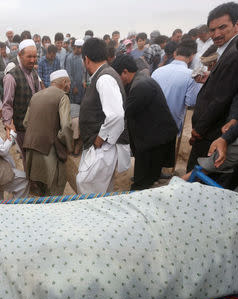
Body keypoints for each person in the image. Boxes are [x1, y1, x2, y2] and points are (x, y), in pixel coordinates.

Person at [187, 2, 238, 171]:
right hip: (208, 130)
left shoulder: (237, 53)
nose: (216, 34)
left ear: (237, 24)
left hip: (211, 132)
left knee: (196, 178)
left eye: (222, 28)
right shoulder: (228, 49)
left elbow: (223, 98)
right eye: (212, 30)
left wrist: (199, 129)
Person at [112, 54, 178, 190]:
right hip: (153, 135)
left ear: (125, 72)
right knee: (149, 173)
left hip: (154, 139)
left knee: (141, 183)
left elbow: (125, 113)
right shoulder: (139, 80)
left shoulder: (140, 86)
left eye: (117, 76)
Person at [77, 38, 130, 194]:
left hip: (104, 147)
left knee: (85, 185)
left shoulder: (104, 78)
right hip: (103, 146)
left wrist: (100, 138)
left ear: (86, 59)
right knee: (101, 191)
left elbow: (116, 115)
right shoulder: (104, 74)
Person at [23, 70, 73, 196]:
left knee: (36, 195)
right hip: (49, 153)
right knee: (54, 194)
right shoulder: (62, 96)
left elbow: (25, 123)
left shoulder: (35, 96)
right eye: (69, 83)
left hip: (30, 152)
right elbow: (66, 126)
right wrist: (67, 145)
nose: (70, 86)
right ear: (64, 82)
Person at [1, 39, 41, 164]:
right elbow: (6, 104)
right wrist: (8, 123)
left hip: (35, 125)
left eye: (34, 56)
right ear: (20, 56)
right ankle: (30, 182)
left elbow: (39, 96)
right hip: (22, 127)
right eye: (29, 56)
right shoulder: (11, 77)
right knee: (27, 158)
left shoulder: (34, 73)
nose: (32, 60)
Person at [152, 40, 201, 134]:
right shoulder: (191, 76)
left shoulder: (157, 71)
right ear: (191, 57)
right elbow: (191, 102)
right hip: (172, 124)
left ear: (175, 54)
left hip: (153, 121)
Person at [64, 38, 85, 154]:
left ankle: (81, 140)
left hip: (84, 89)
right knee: (75, 113)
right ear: (74, 47)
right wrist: (74, 86)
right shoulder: (70, 58)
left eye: (81, 48)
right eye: (77, 47)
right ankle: (74, 140)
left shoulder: (83, 57)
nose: (79, 50)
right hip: (74, 90)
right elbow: (68, 73)